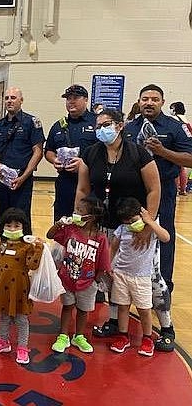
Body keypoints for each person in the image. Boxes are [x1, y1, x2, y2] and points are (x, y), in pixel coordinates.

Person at [74, 109, 173, 351]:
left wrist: (148, 226)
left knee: (150, 279)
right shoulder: (91, 153)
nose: (101, 129)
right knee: (113, 278)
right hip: (105, 226)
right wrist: (79, 219)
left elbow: (154, 189)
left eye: (106, 124)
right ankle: (117, 322)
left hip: (136, 226)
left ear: (119, 126)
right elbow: (82, 190)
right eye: (98, 125)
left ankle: (166, 326)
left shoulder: (138, 154)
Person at [123, 85, 192, 294]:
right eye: (145, 99)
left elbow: (189, 159)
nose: (149, 103)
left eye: (154, 99)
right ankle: (129, 281)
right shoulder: (129, 128)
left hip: (164, 191)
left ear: (162, 102)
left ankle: (163, 286)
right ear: (139, 101)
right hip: (133, 191)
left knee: (163, 234)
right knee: (127, 234)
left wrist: (162, 151)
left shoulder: (175, 127)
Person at [46, 196, 110, 354]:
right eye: (75, 210)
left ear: (91, 217)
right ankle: (63, 335)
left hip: (87, 283)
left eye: (79, 211)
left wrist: (95, 280)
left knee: (83, 310)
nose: (75, 213)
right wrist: (58, 224)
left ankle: (79, 336)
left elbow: (103, 264)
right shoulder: (69, 229)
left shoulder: (100, 238)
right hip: (67, 279)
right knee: (67, 307)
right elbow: (50, 235)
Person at [108, 198, 170, 357]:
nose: (131, 225)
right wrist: (109, 266)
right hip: (121, 275)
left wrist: (150, 221)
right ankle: (123, 336)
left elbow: (166, 237)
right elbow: (113, 247)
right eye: (128, 222)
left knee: (144, 309)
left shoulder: (150, 231)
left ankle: (147, 338)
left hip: (141, 278)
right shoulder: (122, 229)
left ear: (142, 215)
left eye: (134, 221)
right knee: (123, 307)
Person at [0, 207, 43, 365]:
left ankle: (22, 346)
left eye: (16, 226)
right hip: (2, 287)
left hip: (19, 288)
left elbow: (32, 265)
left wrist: (38, 248)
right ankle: (3, 341)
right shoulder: (1, 245)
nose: (12, 229)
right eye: (8, 226)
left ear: (24, 227)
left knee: (21, 319)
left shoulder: (27, 247)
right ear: (2, 227)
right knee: (4, 316)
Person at [0, 87, 45, 228]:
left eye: (13, 98)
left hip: (22, 180)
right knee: (3, 214)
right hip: (2, 180)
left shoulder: (31, 122)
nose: (9, 101)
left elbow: (38, 152)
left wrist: (24, 176)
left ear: (21, 100)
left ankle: (23, 248)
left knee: (21, 216)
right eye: (6, 98)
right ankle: (4, 245)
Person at [44, 84, 97, 221]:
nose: (71, 101)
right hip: (65, 183)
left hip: (91, 183)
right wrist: (54, 160)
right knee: (62, 221)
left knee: (85, 223)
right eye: (68, 98)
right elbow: (49, 150)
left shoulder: (97, 122)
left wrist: (84, 164)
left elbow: (106, 152)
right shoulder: (59, 125)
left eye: (75, 98)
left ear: (86, 100)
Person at [169, 101, 191, 195]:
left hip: (175, 144)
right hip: (184, 145)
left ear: (174, 109)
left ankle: (176, 189)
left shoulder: (174, 119)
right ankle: (183, 189)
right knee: (182, 169)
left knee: (174, 168)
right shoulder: (186, 120)